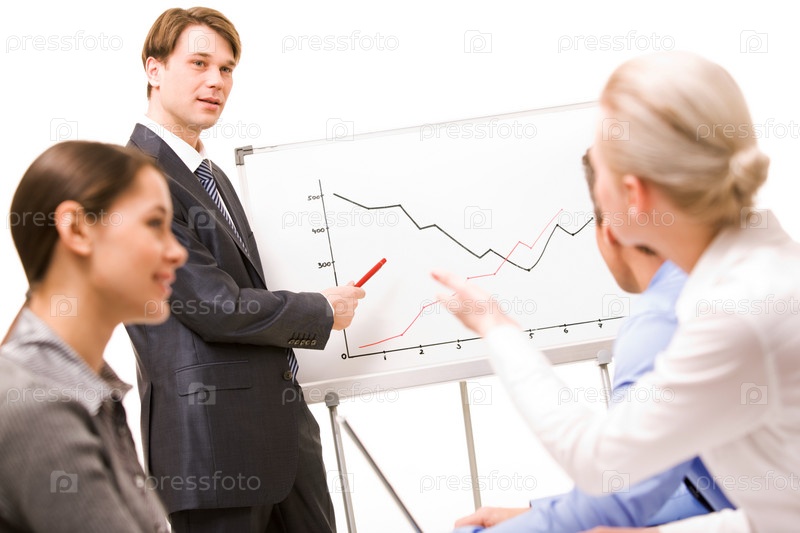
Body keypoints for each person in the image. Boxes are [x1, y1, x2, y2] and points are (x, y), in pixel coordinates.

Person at [434, 51, 800, 532]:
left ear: (634, 194)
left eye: (600, 171)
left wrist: (495, 326)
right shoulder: (761, 272)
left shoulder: (738, 313)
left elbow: (602, 463)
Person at [124, 7, 365, 532]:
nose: (216, 80)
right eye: (199, 63)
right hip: (213, 451)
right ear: (154, 69)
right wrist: (320, 310)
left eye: (227, 69)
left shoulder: (209, 175)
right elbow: (212, 306)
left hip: (283, 439)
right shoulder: (135, 177)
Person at [451, 151, 733, 533]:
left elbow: (614, 492)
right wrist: (536, 512)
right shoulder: (726, 278)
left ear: (609, 232)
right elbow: (701, 485)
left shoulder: (661, 320)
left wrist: (496, 328)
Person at [0, 141, 186, 531]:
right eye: (155, 224)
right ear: (77, 228)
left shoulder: (88, 392)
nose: (177, 253)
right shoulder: (38, 403)